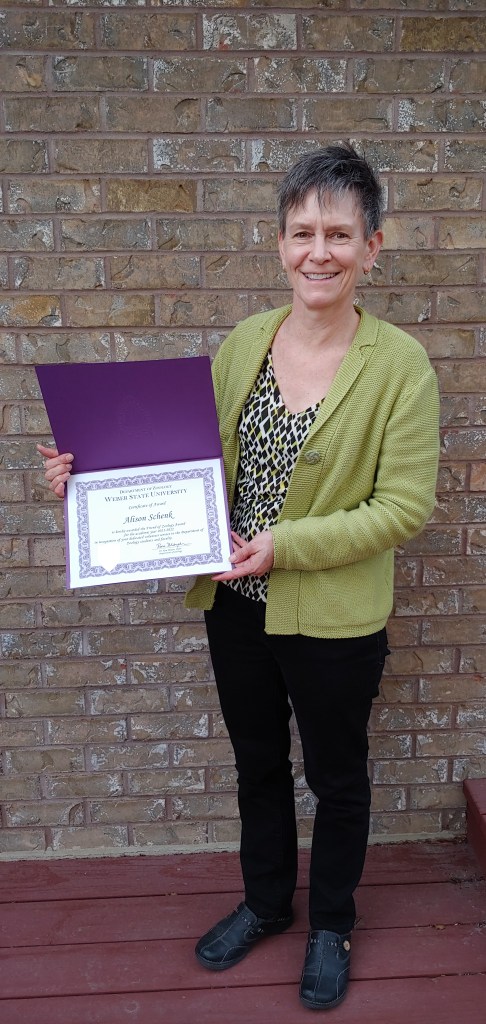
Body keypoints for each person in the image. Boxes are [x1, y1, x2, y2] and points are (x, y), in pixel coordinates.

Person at [39, 144, 440, 1011]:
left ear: (373, 246)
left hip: (334, 619)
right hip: (235, 605)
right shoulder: (245, 344)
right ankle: (265, 902)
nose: (318, 252)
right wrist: (91, 477)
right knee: (257, 763)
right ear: (280, 242)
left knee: (336, 776)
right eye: (302, 232)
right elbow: (185, 457)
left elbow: (405, 507)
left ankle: (331, 923)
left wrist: (284, 546)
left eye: (339, 233)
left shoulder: (400, 366)